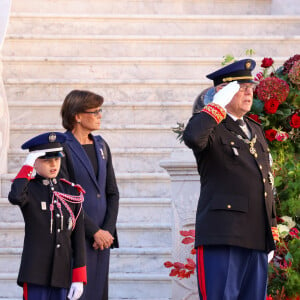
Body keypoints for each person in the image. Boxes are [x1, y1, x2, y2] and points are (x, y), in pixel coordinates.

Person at [182, 59, 279, 300]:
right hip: (223, 234)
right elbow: (193, 138)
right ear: (222, 91)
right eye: (241, 87)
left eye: (251, 87)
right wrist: (216, 107)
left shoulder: (254, 128)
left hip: (256, 235)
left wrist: (271, 227)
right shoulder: (211, 126)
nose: (249, 92)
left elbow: (265, 180)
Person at [8, 132, 87, 300]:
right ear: (35, 163)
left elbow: (78, 238)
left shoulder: (72, 192)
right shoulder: (29, 189)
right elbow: (15, 196)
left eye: (57, 159)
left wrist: (79, 277)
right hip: (35, 273)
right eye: (46, 160)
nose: (53, 164)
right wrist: (28, 165)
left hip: (62, 274)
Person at [60, 90, 119, 300]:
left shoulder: (101, 145)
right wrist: (94, 231)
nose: (100, 115)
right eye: (95, 111)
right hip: (77, 236)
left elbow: (112, 192)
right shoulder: (62, 147)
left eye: (99, 110)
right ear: (77, 115)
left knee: (99, 293)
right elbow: (65, 198)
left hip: (102, 239)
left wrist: (107, 231)